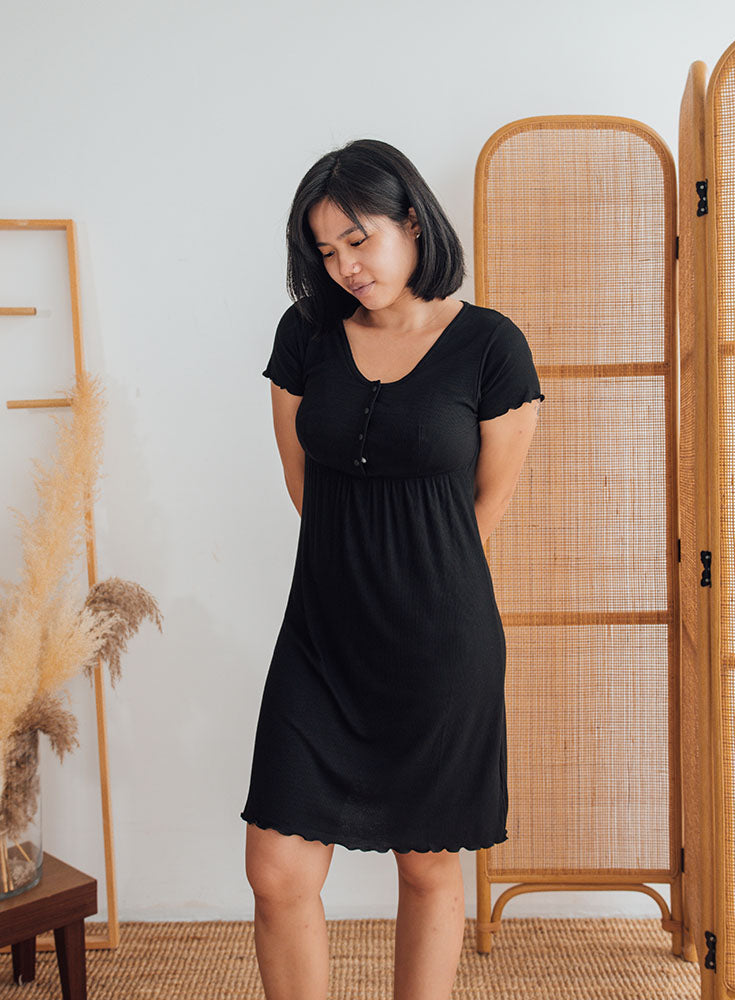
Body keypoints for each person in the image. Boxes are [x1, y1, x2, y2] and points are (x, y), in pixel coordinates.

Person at [241, 138, 545, 1000]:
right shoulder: (305, 336)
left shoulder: (491, 346)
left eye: (358, 239)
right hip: (321, 638)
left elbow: (483, 509)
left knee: (426, 867)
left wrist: (414, 578)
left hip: (440, 642)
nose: (345, 265)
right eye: (325, 250)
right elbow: (303, 483)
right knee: (276, 872)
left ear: (412, 222)